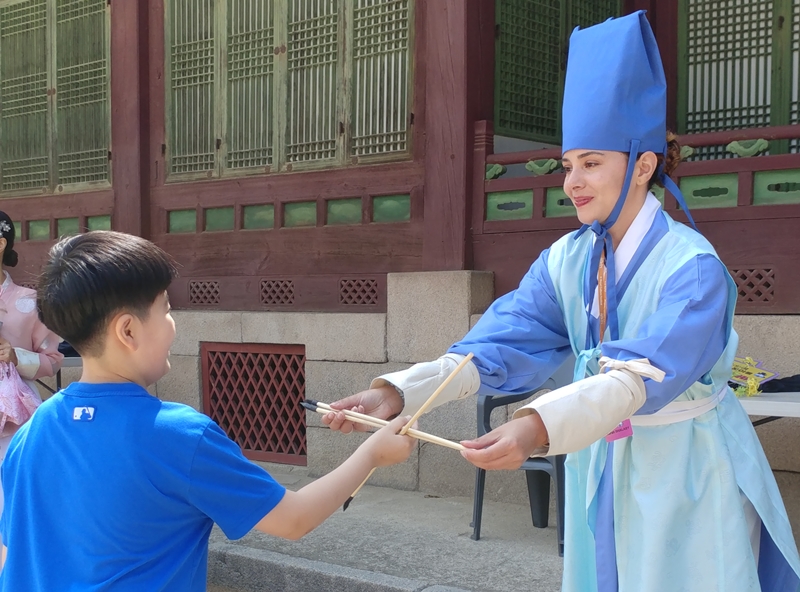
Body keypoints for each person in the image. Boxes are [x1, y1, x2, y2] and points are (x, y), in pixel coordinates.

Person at [324, 12, 800, 592]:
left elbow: (639, 376)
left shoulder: (692, 268)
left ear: (644, 166)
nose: (572, 181)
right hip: (599, 459)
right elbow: (501, 339)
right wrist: (398, 393)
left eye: (592, 164)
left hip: (688, 469)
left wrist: (535, 428)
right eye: (568, 165)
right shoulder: (567, 260)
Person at [0, 231, 415, 590]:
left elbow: (11, 553)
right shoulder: (179, 436)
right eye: (164, 309)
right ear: (128, 330)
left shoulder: (31, 431)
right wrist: (372, 454)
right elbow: (294, 519)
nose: (172, 322)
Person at [0, 211, 63, 541]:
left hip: (13, 417)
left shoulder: (28, 302)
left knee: (12, 504)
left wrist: (16, 355)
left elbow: (53, 361)